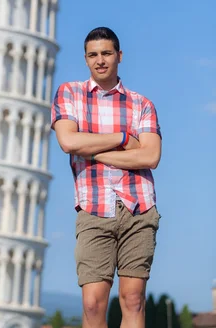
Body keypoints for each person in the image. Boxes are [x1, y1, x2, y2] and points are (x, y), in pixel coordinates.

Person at [51, 27, 162, 328]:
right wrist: (123, 138)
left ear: (119, 56)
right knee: (92, 303)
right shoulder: (69, 94)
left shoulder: (142, 104)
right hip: (93, 206)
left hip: (138, 206)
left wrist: (94, 151)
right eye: (93, 55)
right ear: (86, 59)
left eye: (106, 53)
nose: (100, 60)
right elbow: (68, 143)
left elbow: (150, 157)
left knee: (134, 299)